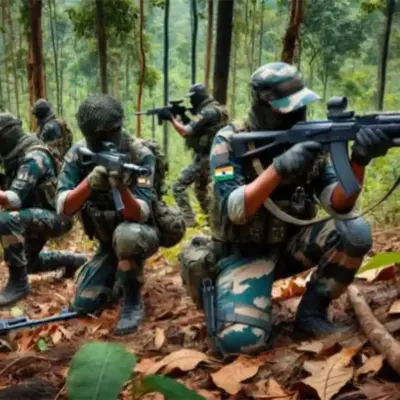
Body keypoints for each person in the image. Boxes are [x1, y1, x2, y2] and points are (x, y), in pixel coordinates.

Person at [180, 62, 392, 355]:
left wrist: (358, 161)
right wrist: (279, 168)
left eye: (300, 105)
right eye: (286, 108)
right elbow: (234, 210)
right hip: (243, 255)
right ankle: (236, 299)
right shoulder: (228, 141)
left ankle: (311, 313)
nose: (296, 113)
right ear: (261, 105)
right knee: (239, 343)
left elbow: (339, 203)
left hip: (289, 249)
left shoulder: (311, 140)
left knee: (354, 231)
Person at [56, 93, 160, 335]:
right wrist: (89, 184)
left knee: (127, 237)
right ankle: (117, 277)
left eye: (114, 130)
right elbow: (63, 207)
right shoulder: (78, 153)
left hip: (138, 234)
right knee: (83, 304)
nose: (111, 136)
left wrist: (120, 187)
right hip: (106, 243)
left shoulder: (140, 154)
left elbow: (141, 213)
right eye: (104, 133)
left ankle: (132, 300)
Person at [0, 113, 87, 306]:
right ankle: (72, 260)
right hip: (34, 214)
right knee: (28, 263)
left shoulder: (34, 156)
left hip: (57, 218)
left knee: (4, 219)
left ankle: (19, 285)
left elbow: (13, 199)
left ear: (6, 135)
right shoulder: (14, 157)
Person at [160, 83, 229, 227]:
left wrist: (171, 118)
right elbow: (197, 129)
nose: (191, 102)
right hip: (221, 156)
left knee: (178, 186)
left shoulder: (207, 112)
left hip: (207, 157)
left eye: (192, 99)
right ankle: (213, 221)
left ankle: (189, 220)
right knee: (205, 189)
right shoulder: (217, 108)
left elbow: (185, 131)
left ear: (198, 97)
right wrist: (183, 115)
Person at [31, 99, 73, 163]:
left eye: (36, 117)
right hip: (66, 159)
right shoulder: (59, 122)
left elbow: (40, 148)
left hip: (56, 162)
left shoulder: (48, 127)